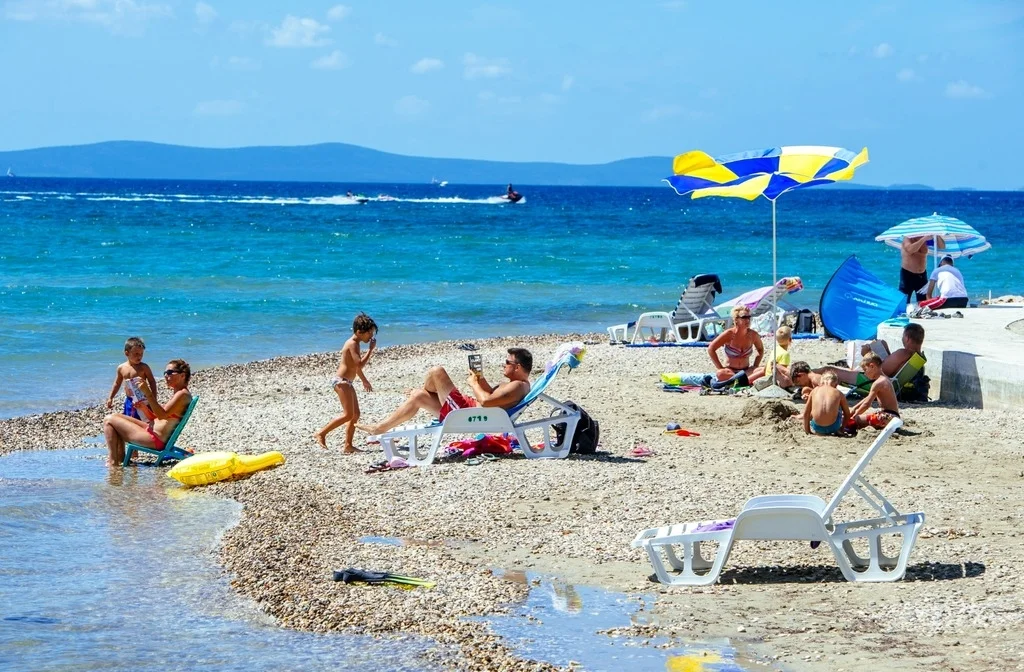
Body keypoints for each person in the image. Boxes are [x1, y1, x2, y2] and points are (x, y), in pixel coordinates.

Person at [359, 347, 533, 438]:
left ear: (517, 367)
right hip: (471, 411)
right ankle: (379, 428)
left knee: (437, 371)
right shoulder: (515, 385)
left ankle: (427, 389)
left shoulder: (518, 385)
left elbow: (487, 402)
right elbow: (490, 395)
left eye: (507, 362)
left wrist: (473, 383)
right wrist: (479, 378)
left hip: (468, 414)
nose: (504, 364)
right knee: (418, 396)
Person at [103, 359, 192, 466]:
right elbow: (158, 417)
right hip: (153, 431)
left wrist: (147, 392)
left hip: (155, 439)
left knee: (109, 420)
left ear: (182, 376)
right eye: (165, 373)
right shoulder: (179, 393)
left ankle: (113, 461)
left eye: (169, 373)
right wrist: (144, 408)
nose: (166, 376)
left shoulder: (182, 394)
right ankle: (120, 457)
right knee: (115, 416)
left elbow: (162, 415)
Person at [315, 313, 378, 452]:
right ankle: (321, 433)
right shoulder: (353, 344)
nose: (371, 337)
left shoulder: (355, 343)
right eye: (369, 333)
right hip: (341, 382)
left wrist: (364, 381)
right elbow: (359, 364)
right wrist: (371, 350)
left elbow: (355, 367)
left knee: (356, 414)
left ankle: (348, 445)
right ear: (359, 332)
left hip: (347, 382)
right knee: (348, 414)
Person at [817, 323, 925, 385]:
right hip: (886, 379)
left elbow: (878, 372)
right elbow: (891, 368)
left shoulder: (903, 352)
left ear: (907, 338)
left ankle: (802, 378)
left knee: (826, 370)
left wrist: (867, 354)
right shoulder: (917, 356)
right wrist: (885, 350)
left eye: (903, 336)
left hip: (869, 380)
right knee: (882, 343)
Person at [706, 305, 765, 389]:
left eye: (749, 317)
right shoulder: (729, 334)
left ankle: (737, 382)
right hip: (730, 371)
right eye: (744, 317)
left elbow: (760, 349)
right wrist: (720, 367)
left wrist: (755, 365)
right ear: (736, 319)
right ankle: (745, 381)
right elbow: (711, 348)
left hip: (746, 371)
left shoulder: (753, 335)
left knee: (765, 370)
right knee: (720, 373)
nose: (747, 320)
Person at [105, 336, 158, 420]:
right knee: (130, 419)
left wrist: (154, 398)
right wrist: (111, 397)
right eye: (136, 354)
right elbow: (117, 383)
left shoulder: (144, 367)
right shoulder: (121, 368)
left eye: (141, 354)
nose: (139, 357)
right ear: (127, 353)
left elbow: (152, 382)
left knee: (146, 420)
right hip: (129, 400)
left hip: (143, 399)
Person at [848, 352, 901, 430]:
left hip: (887, 418)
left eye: (865, 370)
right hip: (893, 417)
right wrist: (854, 408)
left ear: (872, 366)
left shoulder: (877, 383)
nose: (865, 374)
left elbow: (867, 404)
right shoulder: (885, 379)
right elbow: (868, 398)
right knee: (861, 416)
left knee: (855, 420)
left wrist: (854, 416)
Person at [803, 371, 853, 436]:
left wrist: (808, 431)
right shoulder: (838, 393)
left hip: (817, 427)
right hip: (834, 427)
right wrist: (842, 428)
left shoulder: (814, 391)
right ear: (836, 384)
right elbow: (847, 414)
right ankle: (838, 430)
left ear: (821, 382)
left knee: (813, 407)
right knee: (838, 405)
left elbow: (806, 413)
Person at [899, 235, 940, 304]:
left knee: (923, 301)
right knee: (904, 300)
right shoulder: (907, 239)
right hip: (908, 275)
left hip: (921, 275)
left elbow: (942, 246)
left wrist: (937, 235)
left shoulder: (925, 239)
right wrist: (924, 239)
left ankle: (920, 314)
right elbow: (910, 250)